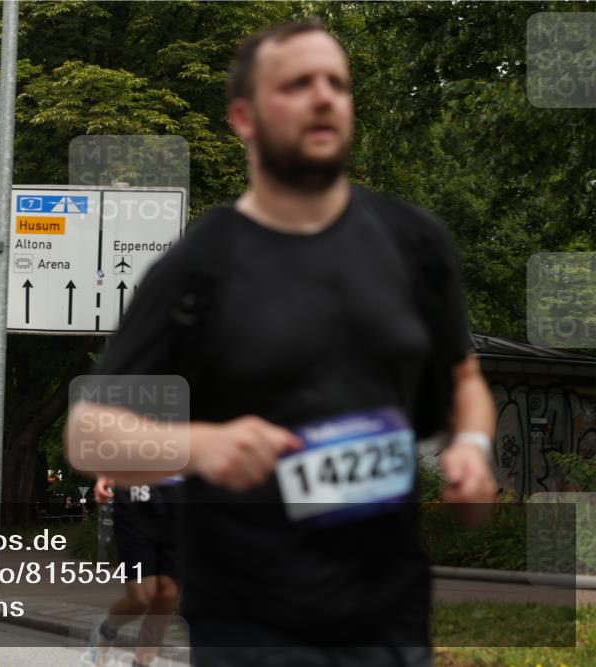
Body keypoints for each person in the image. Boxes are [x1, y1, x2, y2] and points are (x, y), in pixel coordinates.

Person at [65, 19, 498, 666]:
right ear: (244, 117)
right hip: (253, 627)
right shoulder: (196, 269)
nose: (324, 96)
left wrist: (471, 448)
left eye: (337, 83)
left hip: (390, 623)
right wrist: (203, 445)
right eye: (297, 84)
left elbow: (463, 381)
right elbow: (90, 433)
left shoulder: (415, 245)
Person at [85, 475, 181, 667]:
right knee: (141, 597)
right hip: (133, 498)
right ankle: (107, 628)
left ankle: (142, 663)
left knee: (168, 593)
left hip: (179, 498)